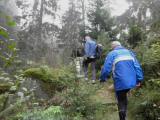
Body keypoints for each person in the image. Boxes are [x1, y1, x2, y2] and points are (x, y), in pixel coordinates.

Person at [99, 41, 143, 120]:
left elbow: (106, 69)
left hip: (120, 81)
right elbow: (137, 66)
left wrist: (102, 78)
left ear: (113, 47)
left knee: (121, 99)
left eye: (112, 47)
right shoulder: (130, 53)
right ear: (120, 45)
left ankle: (122, 117)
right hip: (131, 81)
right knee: (124, 96)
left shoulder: (112, 54)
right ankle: (125, 114)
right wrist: (139, 79)